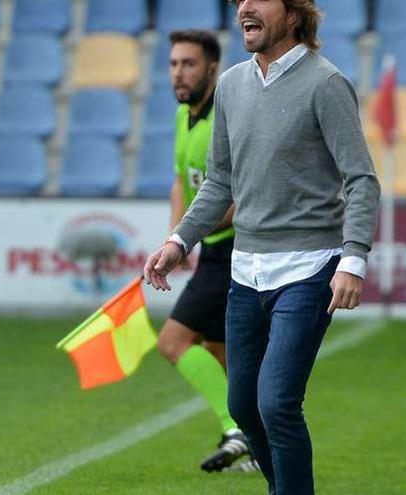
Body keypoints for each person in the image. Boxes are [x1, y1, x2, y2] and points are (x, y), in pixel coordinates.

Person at [144, 0, 380, 492]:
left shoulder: (326, 83)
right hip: (243, 270)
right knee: (243, 405)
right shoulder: (231, 84)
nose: (244, 7)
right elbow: (219, 181)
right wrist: (179, 240)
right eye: (239, 1)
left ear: (294, 15)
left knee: (276, 403)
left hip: (310, 268)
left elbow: (361, 180)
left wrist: (353, 259)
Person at [154, 29, 257, 474]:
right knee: (219, 352)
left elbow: (242, 198)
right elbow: (182, 179)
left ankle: (237, 429)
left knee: (173, 340)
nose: (179, 72)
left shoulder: (227, 118)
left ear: (213, 69)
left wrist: (187, 237)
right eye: (174, 63)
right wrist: (176, 237)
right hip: (208, 249)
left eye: (189, 64)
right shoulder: (183, 116)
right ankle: (253, 444)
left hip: (233, 249)